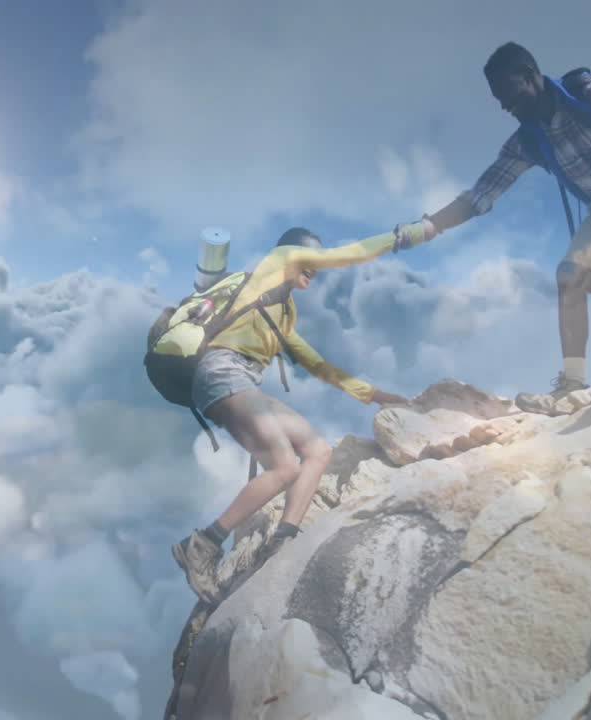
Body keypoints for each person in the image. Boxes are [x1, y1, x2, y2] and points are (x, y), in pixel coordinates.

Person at [396, 41, 591, 415]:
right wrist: (428, 227)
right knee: (569, 279)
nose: (505, 106)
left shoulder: (590, 92)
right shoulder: (528, 141)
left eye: (509, 94)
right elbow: (481, 195)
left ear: (531, 77)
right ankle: (572, 386)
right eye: (499, 100)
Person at [172, 225, 421, 605]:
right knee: (284, 466)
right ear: (291, 254)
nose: (314, 266)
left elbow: (317, 364)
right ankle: (201, 545)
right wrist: (406, 235)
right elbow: (350, 254)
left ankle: (281, 542)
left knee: (317, 449)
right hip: (221, 371)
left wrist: (377, 395)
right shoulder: (275, 263)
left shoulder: (283, 310)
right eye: (309, 257)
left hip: (243, 381)